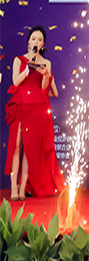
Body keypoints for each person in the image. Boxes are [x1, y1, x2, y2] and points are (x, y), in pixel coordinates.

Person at [5, 26, 66, 200]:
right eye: (33, 39)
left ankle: (22, 188)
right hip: (20, 106)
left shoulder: (46, 63)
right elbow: (15, 82)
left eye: (39, 40)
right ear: (28, 41)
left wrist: (46, 75)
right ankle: (14, 187)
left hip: (36, 108)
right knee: (16, 147)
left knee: (28, 150)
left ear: (43, 43)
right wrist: (26, 70)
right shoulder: (19, 60)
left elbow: (44, 89)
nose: (36, 42)